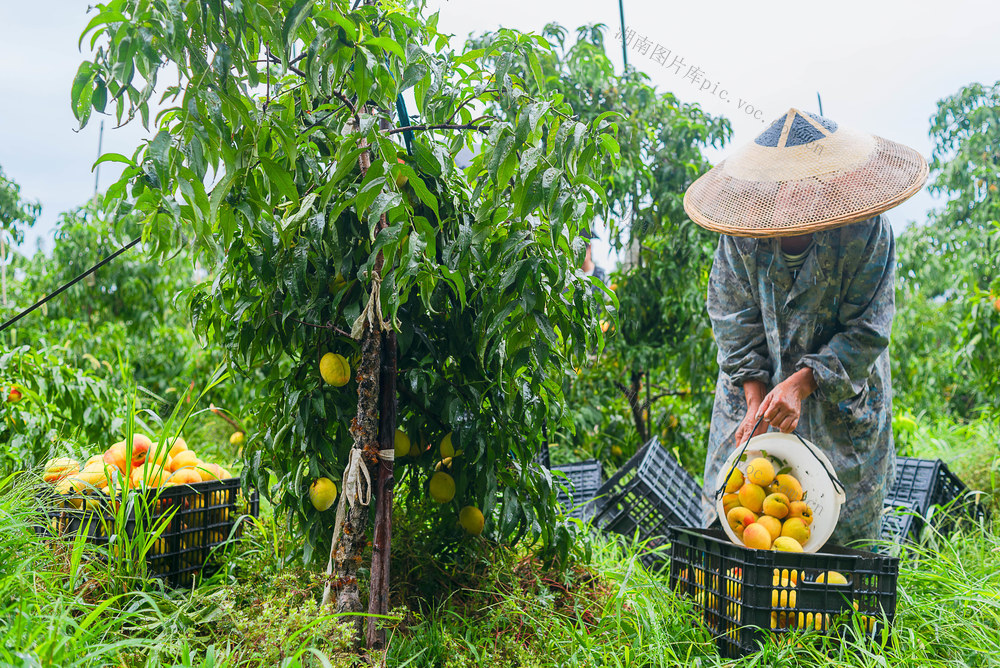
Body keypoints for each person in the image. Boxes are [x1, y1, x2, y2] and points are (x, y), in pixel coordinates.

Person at [683, 108, 928, 545]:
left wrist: (803, 383)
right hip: (750, 393)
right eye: (785, 190)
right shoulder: (742, 234)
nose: (795, 199)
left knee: (842, 528)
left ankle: (836, 609)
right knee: (739, 514)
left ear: (826, 183)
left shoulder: (865, 232)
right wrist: (755, 403)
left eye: (806, 189)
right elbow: (732, 320)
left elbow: (868, 329)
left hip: (842, 402)